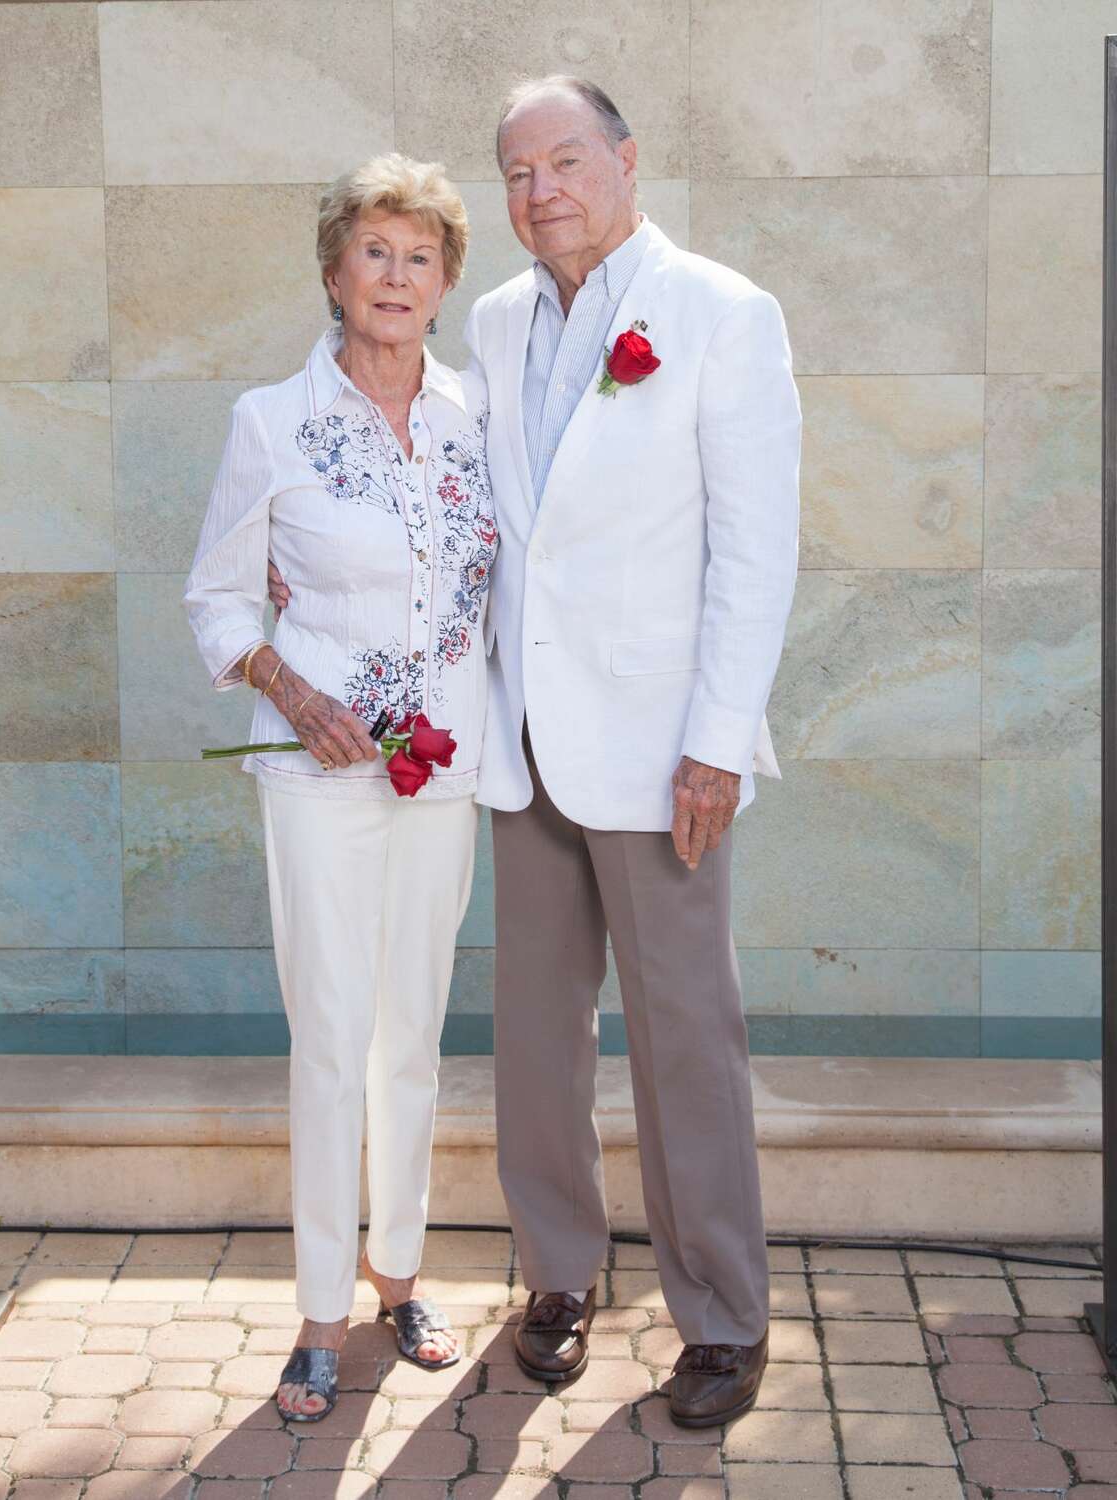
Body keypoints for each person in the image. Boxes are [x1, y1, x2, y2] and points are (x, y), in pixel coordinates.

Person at [269, 78, 800, 1430]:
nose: (542, 188)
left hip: (663, 751)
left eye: (566, 160)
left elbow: (755, 550)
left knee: (689, 1037)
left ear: (625, 161)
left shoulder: (723, 316)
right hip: (515, 748)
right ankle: (559, 1276)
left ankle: (723, 1319)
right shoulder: (494, 325)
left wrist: (718, 741)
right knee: (535, 1042)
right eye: (517, 171)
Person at [184, 153, 497, 1425]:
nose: (397, 275)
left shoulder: (482, 415)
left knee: (411, 1036)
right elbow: (216, 595)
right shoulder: (273, 420)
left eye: (420, 256)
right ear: (334, 273)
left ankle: (400, 1275)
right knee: (330, 1036)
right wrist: (292, 692)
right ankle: (319, 1309)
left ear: (446, 284)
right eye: (376, 251)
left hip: (450, 767)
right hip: (320, 774)